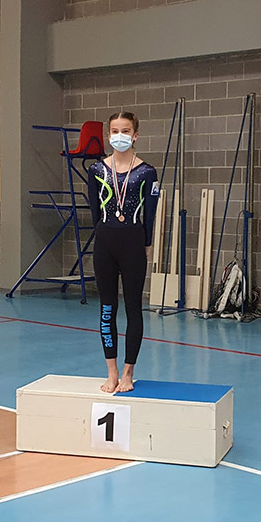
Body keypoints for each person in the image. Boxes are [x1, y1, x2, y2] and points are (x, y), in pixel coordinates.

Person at [87, 112, 160, 393]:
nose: (120, 135)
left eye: (126, 131)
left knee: (133, 308)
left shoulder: (147, 172)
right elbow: (94, 210)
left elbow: (150, 213)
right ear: (108, 135)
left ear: (135, 135)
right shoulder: (96, 170)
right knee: (107, 308)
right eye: (115, 131)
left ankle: (129, 372)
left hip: (133, 242)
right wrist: (100, 237)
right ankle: (112, 371)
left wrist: (147, 243)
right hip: (105, 242)